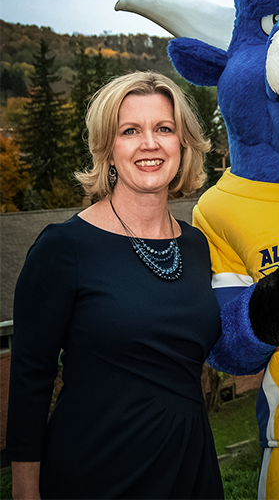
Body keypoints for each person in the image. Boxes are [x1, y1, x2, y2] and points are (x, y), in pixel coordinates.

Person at [6, 71, 225, 499]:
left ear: (183, 144)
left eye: (164, 129)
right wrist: (24, 491)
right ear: (107, 148)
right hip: (97, 470)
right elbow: (29, 380)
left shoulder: (196, 244)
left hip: (189, 465)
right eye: (130, 131)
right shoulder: (64, 247)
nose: (150, 143)